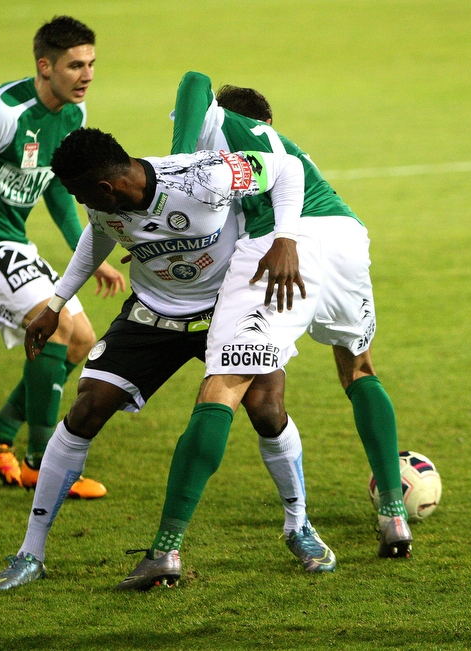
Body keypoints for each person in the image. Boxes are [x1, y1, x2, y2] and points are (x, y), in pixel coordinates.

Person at [0, 127, 338, 591]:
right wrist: (55, 304)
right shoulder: (102, 202)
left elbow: (287, 168)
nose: (78, 202)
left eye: (77, 193)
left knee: (267, 410)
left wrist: (286, 239)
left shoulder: (204, 177)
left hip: (227, 308)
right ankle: (31, 553)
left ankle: (299, 526)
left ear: (106, 187)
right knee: (87, 406)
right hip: (153, 314)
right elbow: (98, 234)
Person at [114, 72, 411, 590]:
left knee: (221, 389)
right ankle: (392, 514)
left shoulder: (223, 127)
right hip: (345, 236)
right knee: (358, 366)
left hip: (281, 244)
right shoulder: (278, 155)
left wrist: (177, 159)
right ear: (271, 122)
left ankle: (165, 551)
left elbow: (192, 80)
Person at [0, 16, 125, 499]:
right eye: (76, 65)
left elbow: (57, 186)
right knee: (53, 326)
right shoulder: (1, 112)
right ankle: (41, 467)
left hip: (11, 242)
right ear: (45, 66)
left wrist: (88, 251)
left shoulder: (72, 115)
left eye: (91, 63)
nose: (87, 74)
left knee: (81, 341)